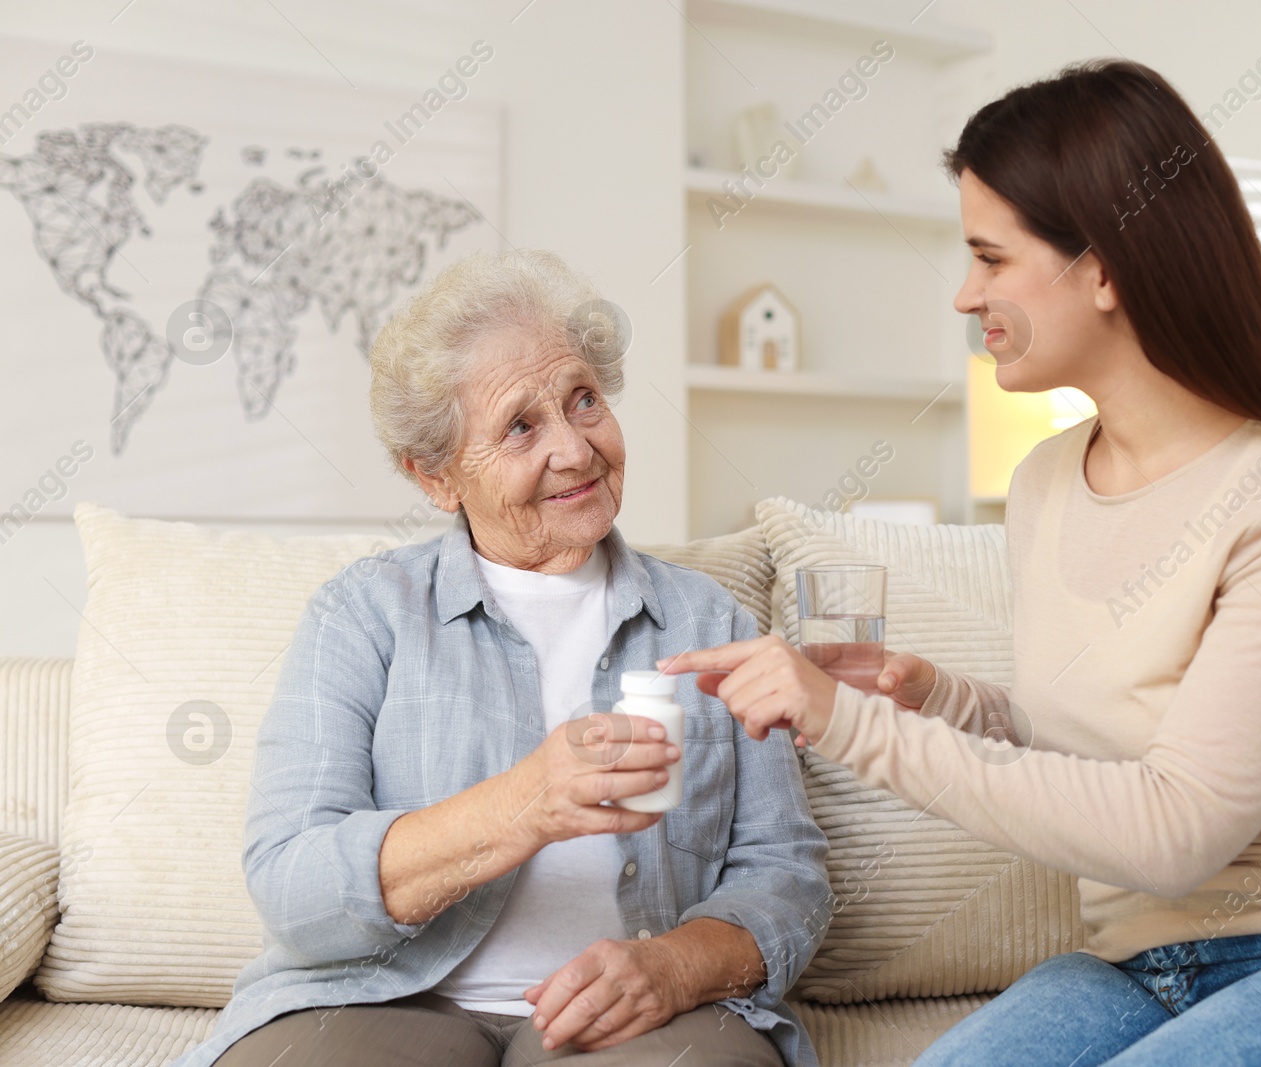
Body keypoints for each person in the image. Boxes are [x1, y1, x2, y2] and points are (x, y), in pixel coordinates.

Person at [660, 60, 1261, 1067]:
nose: (966, 294)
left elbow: (1175, 828)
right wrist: (942, 699)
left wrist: (849, 721)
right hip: (1135, 965)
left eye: (989, 258)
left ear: (1102, 267)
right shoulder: (1048, 478)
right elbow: (1102, 740)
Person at [177, 249, 832, 1067]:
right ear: (436, 475)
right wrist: (523, 804)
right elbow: (292, 884)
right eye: (521, 425)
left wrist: (674, 963)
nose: (575, 448)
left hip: (640, 1018)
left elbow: (790, 873)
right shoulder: (363, 614)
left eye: (583, 400)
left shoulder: (707, 618)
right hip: (384, 997)